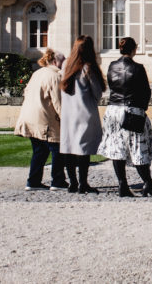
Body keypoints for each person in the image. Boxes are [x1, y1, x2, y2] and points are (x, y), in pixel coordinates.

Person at [97, 36, 152, 197]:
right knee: (138, 148)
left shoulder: (112, 66)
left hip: (113, 109)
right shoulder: (138, 68)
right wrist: (141, 108)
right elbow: (146, 91)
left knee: (117, 148)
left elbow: (112, 86)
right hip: (131, 110)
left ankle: (122, 185)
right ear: (134, 49)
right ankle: (148, 184)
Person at [13, 48, 67, 190]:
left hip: (30, 115)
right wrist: (66, 120)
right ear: (55, 62)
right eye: (62, 61)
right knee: (58, 148)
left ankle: (33, 181)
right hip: (45, 117)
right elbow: (58, 102)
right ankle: (58, 181)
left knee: (40, 150)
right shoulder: (54, 76)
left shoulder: (37, 73)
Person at [60, 35, 105, 194]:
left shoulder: (65, 65)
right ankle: (83, 183)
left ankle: (72, 182)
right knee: (83, 150)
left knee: (69, 147)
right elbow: (98, 93)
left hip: (68, 113)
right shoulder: (88, 67)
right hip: (84, 112)